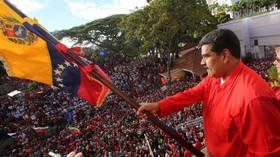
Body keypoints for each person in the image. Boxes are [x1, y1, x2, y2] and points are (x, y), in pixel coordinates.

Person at [137, 29, 280, 157]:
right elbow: (190, 94)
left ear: (224, 55)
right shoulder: (216, 78)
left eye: (206, 56)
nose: (201, 63)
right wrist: (158, 105)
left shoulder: (253, 98)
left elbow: (268, 153)